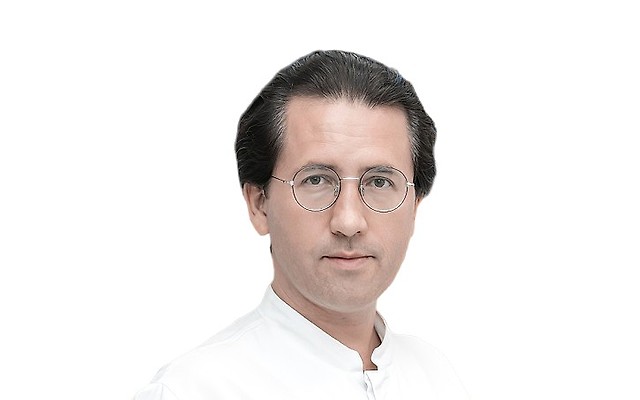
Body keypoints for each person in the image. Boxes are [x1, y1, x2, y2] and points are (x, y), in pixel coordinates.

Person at [134, 50, 469, 399]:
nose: (349, 221)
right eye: (316, 180)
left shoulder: (435, 376)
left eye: (380, 182)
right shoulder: (192, 390)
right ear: (259, 204)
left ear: (414, 207)